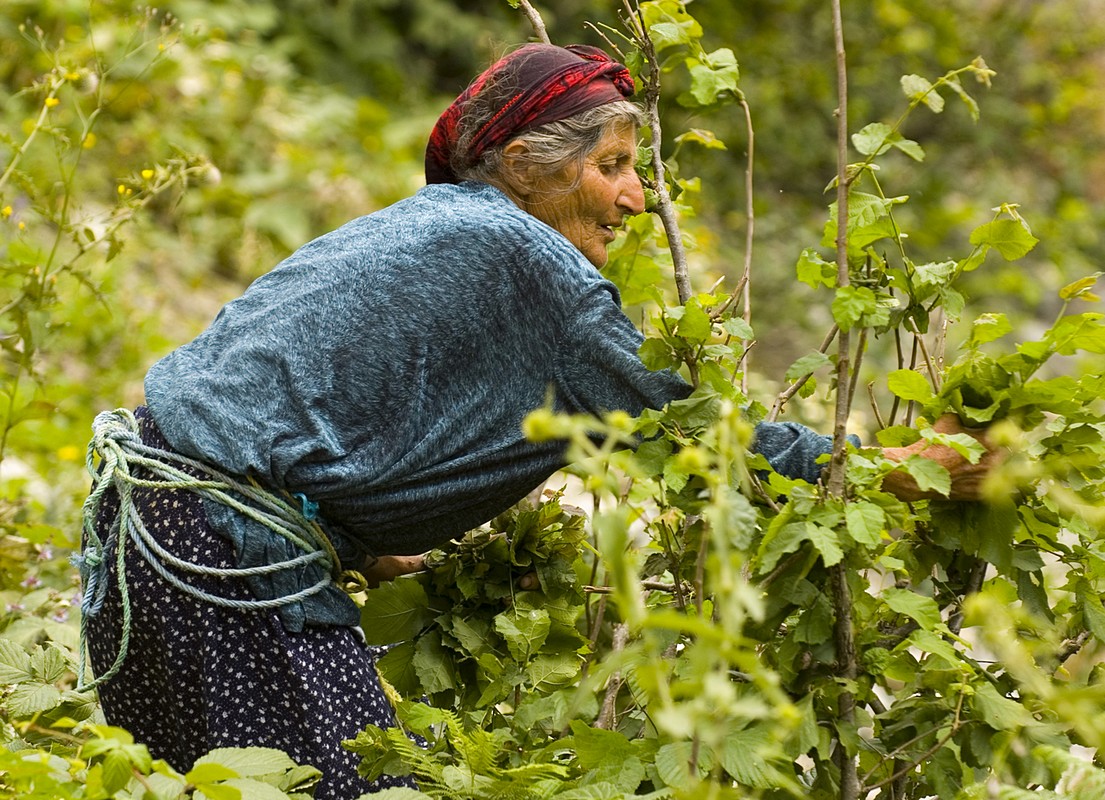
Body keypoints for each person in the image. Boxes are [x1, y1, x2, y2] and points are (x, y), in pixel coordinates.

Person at [77, 43, 994, 799]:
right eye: (612, 167)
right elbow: (691, 428)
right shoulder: (529, 260)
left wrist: (352, 526)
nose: (637, 200)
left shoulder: (428, 221)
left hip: (139, 525)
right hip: (217, 551)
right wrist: (872, 470)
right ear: (524, 166)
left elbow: (279, 387)